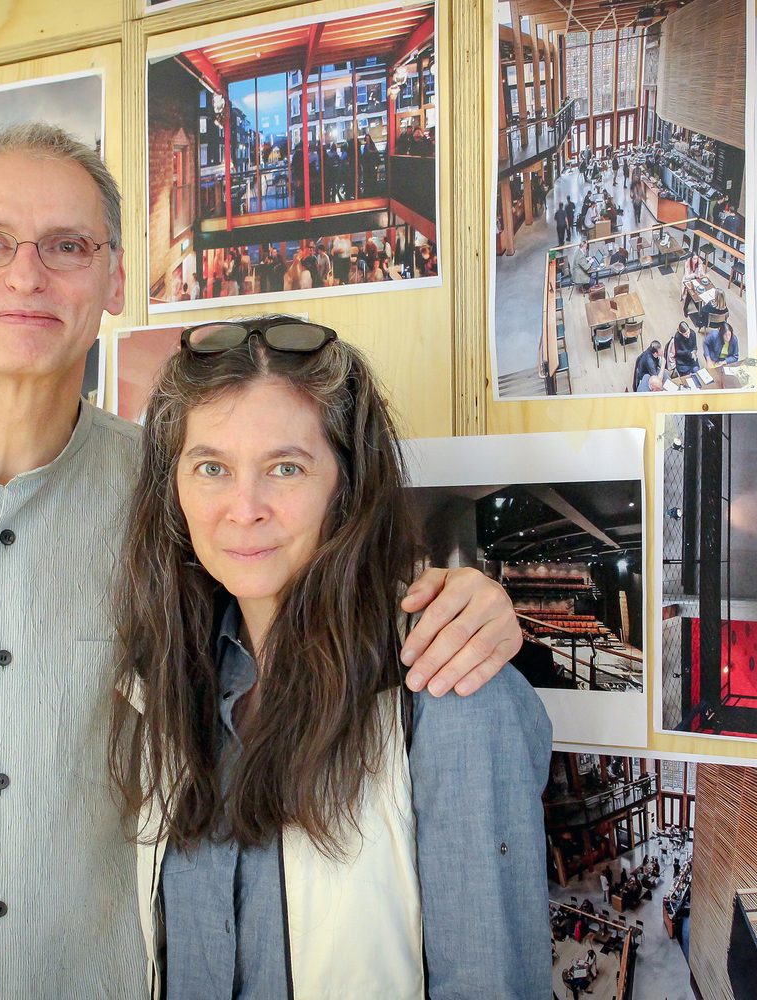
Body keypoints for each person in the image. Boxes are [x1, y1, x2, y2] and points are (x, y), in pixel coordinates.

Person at [0, 123, 523, 999]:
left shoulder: (173, 498)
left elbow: (295, 607)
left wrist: (470, 599)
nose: (26, 274)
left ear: (114, 280)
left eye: (67, 246)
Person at [110, 320, 552, 997]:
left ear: (346, 486)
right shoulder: (162, 684)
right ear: (173, 488)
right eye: (211, 468)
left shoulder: (445, 688)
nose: (244, 508)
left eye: (286, 468)